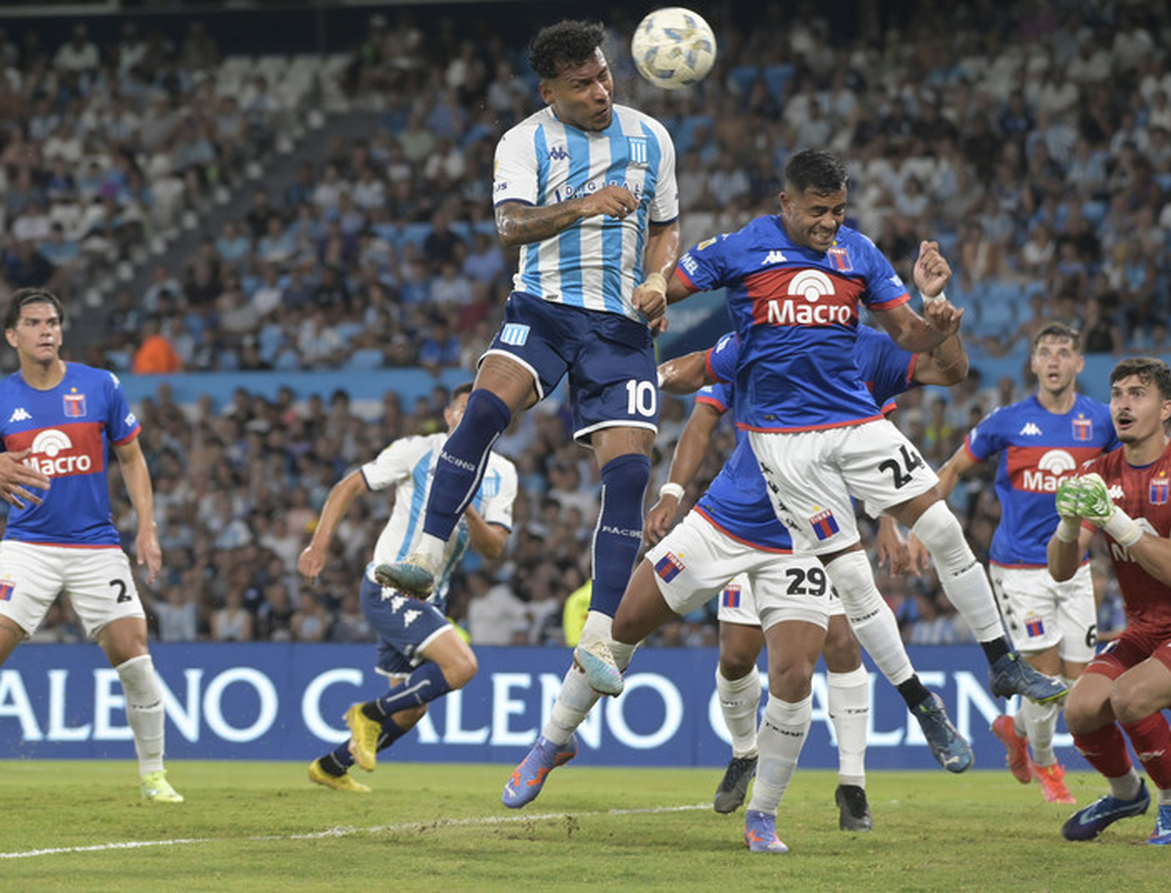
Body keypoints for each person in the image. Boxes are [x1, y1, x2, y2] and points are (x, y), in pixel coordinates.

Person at [502, 326, 972, 854]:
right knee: (626, 621)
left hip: (804, 539)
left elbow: (946, 370)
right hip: (725, 520)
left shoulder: (868, 349)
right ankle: (552, 743)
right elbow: (695, 389)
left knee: (794, 676)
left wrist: (943, 320)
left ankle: (764, 814)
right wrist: (671, 481)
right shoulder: (756, 338)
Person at [375, 19, 679, 698]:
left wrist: (660, 278)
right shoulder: (524, 141)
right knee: (482, 407)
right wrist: (584, 204)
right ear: (550, 91)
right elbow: (510, 224)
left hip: (620, 327)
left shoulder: (651, 137)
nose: (601, 91)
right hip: (543, 307)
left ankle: (600, 635)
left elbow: (665, 227)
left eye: (604, 76)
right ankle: (425, 553)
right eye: (583, 84)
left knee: (629, 475)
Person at [659, 323, 970, 832]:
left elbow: (878, 440)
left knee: (842, 644)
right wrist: (673, 488)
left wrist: (887, 521)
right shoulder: (749, 343)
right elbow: (701, 420)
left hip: (816, 528)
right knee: (737, 655)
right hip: (743, 523)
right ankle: (744, 753)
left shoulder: (849, 353)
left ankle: (853, 784)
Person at [0, 288, 180, 803]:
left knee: (135, 657)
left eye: (52, 321)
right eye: (33, 323)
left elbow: (132, 458)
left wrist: (147, 527)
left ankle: (153, 775)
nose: (46, 331)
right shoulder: (3, 398)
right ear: (13, 337)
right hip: (27, 545)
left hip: (96, 546)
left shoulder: (99, 385)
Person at [300, 383, 516, 792]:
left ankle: (331, 766)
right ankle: (366, 712)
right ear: (450, 415)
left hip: (430, 596)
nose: (470, 417)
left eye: (481, 411)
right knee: (462, 666)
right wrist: (319, 545)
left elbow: (494, 548)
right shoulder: (418, 449)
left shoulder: (503, 473)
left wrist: (467, 506)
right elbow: (349, 485)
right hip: (390, 583)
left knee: (411, 710)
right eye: (463, 409)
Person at [937, 323, 1118, 804]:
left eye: (1064, 353)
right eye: (1045, 353)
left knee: (1078, 684)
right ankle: (1045, 765)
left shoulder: (1100, 423)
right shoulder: (1008, 421)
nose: (1055, 361)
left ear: (1079, 364)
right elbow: (955, 467)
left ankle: (1014, 731)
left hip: (1074, 567)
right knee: (1046, 678)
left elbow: (1121, 482)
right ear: (1033, 364)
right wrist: (920, 523)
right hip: (1018, 568)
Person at [1049, 356, 1171, 845]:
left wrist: (1112, 519)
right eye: (1116, 394)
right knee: (1081, 708)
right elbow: (1060, 569)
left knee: (1129, 697)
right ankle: (1126, 793)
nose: (1123, 403)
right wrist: (1069, 525)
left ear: (1166, 407)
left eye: (1137, 393)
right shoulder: (1098, 470)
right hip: (1144, 628)